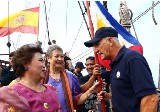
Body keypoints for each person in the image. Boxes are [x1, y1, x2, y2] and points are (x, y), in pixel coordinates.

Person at [84, 27, 158, 112]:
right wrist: (110, 95)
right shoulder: (115, 64)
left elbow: (150, 98)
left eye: (97, 45)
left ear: (110, 41)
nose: (95, 50)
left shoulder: (132, 59)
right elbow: (129, 91)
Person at [0, 44, 62, 111]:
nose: (45, 64)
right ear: (25, 64)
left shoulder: (51, 90)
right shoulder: (12, 95)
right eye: (41, 60)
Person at [46, 44, 101, 112]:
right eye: (56, 56)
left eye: (62, 56)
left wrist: (91, 89)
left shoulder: (70, 76)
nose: (60, 59)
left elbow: (77, 96)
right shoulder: (41, 77)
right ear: (48, 58)